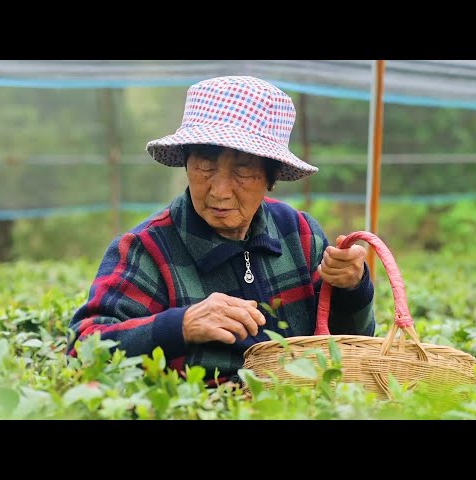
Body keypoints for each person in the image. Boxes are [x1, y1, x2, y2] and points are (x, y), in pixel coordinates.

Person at [67, 76, 375, 385]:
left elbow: (350, 344)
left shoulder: (299, 233)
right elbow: (83, 349)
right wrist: (180, 325)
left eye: (242, 169)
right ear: (186, 162)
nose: (219, 190)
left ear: (271, 176)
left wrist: (353, 288)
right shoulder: (147, 249)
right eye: (205, 165)